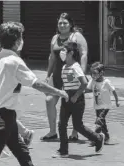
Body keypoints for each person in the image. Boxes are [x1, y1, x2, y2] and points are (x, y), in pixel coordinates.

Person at [0, 21, 69, 166]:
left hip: (2, 113)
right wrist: (58, 91)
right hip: (3, 117)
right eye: (21, 37)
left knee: (22, 153)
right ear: (17, 41)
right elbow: (36, 83)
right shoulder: (14, 61)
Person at [52, 41, 104, 158]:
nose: (61, 53)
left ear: (70, 53)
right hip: (66, 97)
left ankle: (97, 138)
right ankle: (63, 150)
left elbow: (84, 83)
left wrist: (76, 96)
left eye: (64, 50)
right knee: (62, 124)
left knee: (77, 125)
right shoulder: (65, 66)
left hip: (77, 99)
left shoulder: (76, 67)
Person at [42, 12, 88, 141]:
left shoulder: (77, 36)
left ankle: (74, 132)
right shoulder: (54, 38)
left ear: (71, 24)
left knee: (73, 102)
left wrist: (82, 72)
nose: (62, 25)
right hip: (57, 74)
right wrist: (48, 74)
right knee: (49, 100)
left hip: (72, 75)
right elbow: (52, 57)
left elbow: (84, 54)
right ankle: (52, 132)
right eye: (60, 23)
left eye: (65, 23)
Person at [87, 62, 120, 145]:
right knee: (102, 123)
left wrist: (117, 101)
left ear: (101, 73)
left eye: (95, 73)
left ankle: (95, 138)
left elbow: (113, 91)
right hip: (97, 106)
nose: (93, 76)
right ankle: (107, 136)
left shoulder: (106, 82)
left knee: (99, 121)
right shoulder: (92, 81)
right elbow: (87, 89)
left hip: (105, 106)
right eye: (91, 74)